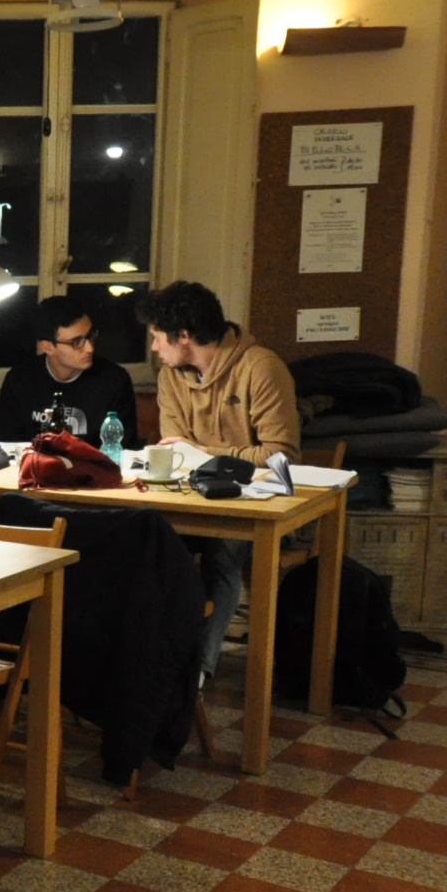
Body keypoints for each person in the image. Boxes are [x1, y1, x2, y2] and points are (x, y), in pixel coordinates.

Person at [142, 281, 305, 680]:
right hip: (193, 496)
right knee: (146, 541)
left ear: (183, 336)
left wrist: (204, 451)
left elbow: (281, 456)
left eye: (157, 337)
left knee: (224, 550)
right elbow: (176, 449)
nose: (154, 347)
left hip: (258, 501)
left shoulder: (261, 367)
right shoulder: (171, 376)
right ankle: (150, 661)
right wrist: (196, 454)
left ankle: (196, 674)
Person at [0, 293, 140, 443]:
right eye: (76, 342)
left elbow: (123, 447)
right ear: (48, 347)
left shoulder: (114, 380)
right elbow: (4, 444)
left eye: (90, 335)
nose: (90, 348)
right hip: (33, 458)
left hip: (94, 459)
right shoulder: (20, 380)